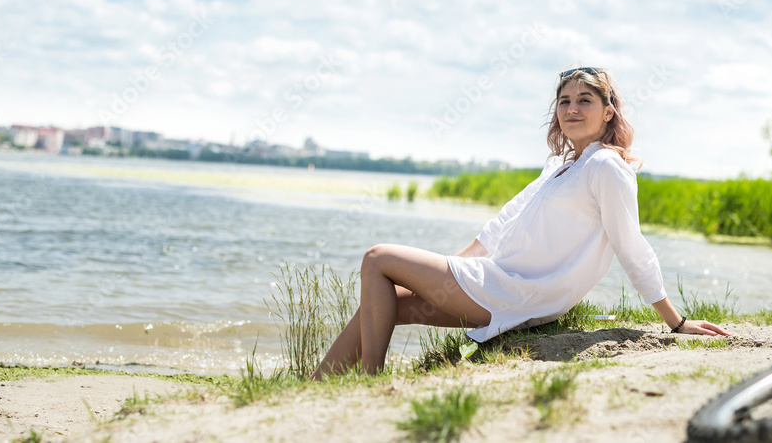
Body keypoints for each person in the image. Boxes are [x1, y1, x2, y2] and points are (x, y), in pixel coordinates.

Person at [310, 66, 731, 379]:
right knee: (389, 301)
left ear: (608, 111)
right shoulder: (562, 165)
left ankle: (369, 382)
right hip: (495, 280)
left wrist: (674, 321)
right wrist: (443, 272)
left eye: (585, 99)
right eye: (565, 101)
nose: (572, 108)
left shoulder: (606, 167)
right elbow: (499, 226)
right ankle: (316, 386)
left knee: (376, 257)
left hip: (517, 292)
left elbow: (631, 247)